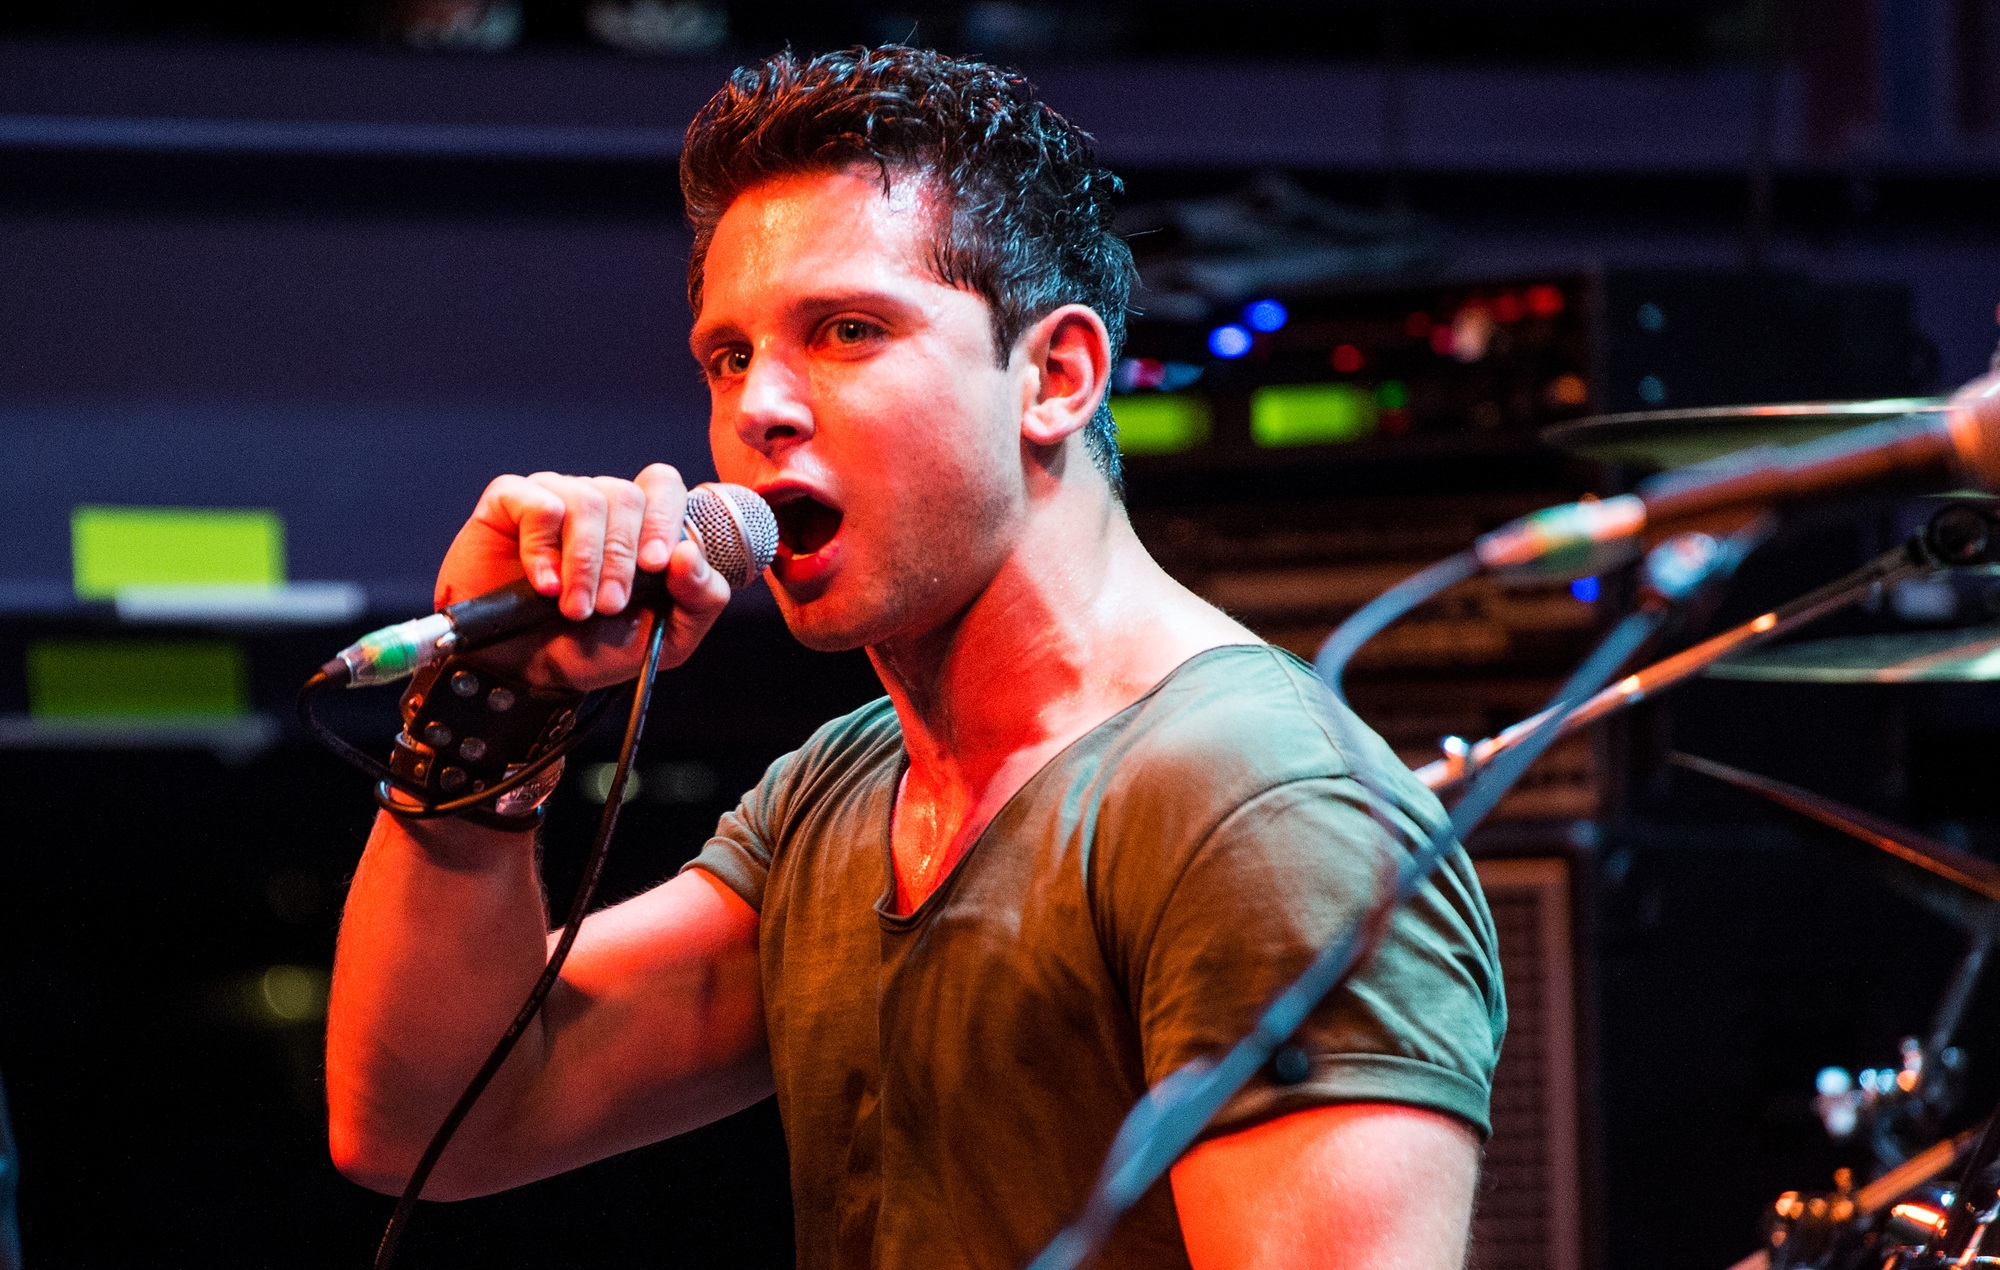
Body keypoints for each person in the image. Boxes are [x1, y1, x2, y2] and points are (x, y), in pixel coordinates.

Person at [326, 45, 1505, 1270]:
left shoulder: (1259, 810)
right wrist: (492, 700)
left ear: (1054, 376)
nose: (759, 408)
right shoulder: (843, 790)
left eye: (845, 330)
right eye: (728, 357)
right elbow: (432, 1123)